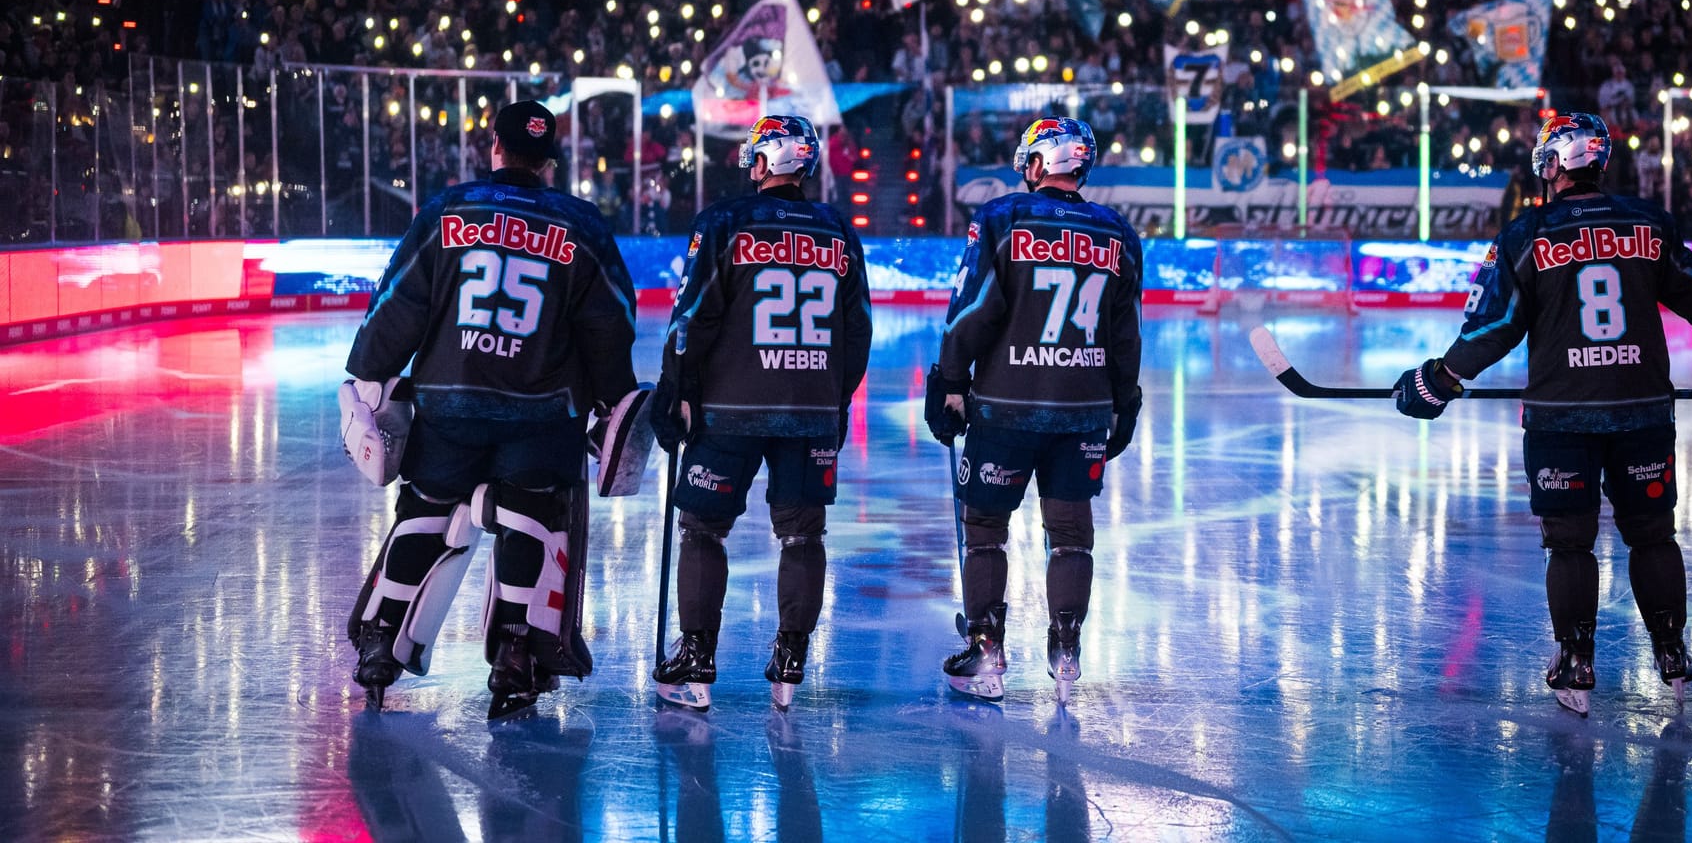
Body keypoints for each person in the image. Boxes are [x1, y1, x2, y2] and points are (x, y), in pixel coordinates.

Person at [1392, 112, 1692, 717]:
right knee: (1651, 535)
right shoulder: (1649, 223)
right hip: (1642, 410)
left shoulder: (1528, 233)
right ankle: (1671, 652)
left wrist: (1440, 378)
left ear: (1556, 163)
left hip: (1560, 416)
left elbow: (1495, 326)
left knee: (1569, 545)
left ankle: (1575, 662)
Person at [343, 100, 639, 720]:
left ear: (494, 149)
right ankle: (515, 656)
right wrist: (614, 399)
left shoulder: (450, 210)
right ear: (550, 163)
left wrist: (369, 372)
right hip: (541, 412)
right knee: (532, 518)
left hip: (451, 405)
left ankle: (379, 643)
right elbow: (609, 327)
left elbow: (400, 301)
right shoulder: (580, 226)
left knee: (425, 511)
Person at [650, 115, 873, 711]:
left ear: (767, 160)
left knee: (702, 529)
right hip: (811, 410)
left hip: (731, 409)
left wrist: (676, 390)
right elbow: (858, 331)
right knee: (803, 535)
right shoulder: (838, 232)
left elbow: (690, 320)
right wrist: (831, 396)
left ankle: (697, 656)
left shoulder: (724, 222)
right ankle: (792, 657)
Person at [924, 117, 1144, 703]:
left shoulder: (1002, 217)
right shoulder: (1118, 232)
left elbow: (971, 309)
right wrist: (1125, 402)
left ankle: (986, 651)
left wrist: (949, 377)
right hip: (1085, 409)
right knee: (1071, 534)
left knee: (986, 530)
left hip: (1006, 407)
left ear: (1040, 163)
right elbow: (1125, 335)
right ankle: (1066, 651)